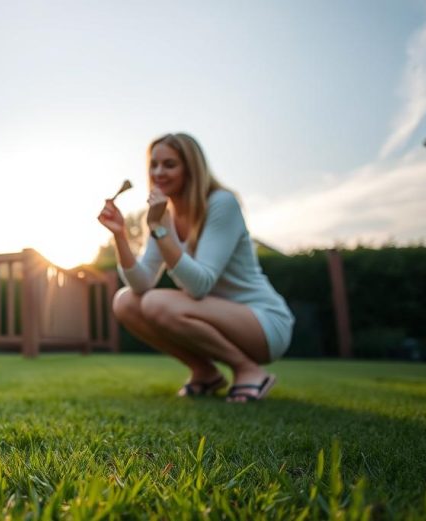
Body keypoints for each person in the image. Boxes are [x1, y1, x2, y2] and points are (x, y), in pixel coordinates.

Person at [97, 132, 294, 402]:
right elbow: (141, 283)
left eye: (169, 164)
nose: (158, 172)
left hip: (263, 322)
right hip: (212, 316)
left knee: (155, 303)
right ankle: (204, 372)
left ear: (191, 168)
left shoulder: (221, 203)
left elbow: (200, 285)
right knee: (125, 302)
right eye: (153, 165)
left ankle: (248, 371)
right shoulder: (160, 215)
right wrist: (120, 236)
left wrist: (160, 229)